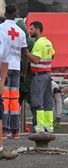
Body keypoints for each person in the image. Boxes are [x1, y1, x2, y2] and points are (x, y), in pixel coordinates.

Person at [0, 5, 27, 139]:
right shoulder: (21, 32)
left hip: (3, 68)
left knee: (3, 99)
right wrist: (24, 73)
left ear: (5, 13)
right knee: (14, 100)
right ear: (16, 14)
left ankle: (4, 130)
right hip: (16, 68)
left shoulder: (0, 29)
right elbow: (25, 54)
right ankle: (15, 131)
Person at [27, 21, 55, 133]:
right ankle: (49, 127)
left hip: (39, 76)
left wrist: (26, 52)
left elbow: (35, 59)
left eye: (32, 29)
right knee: (47, 102)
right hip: (47, 75)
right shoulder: (48, 42)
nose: (30, 31)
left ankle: (39, 128)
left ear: (38, 30)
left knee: (37, 102)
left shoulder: (38, 43)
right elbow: (52, 55)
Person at [0, 29, 18, 159]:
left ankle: (0, 149)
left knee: (0, 114)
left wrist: (2, 81)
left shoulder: (3, 37)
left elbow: (5, 60)